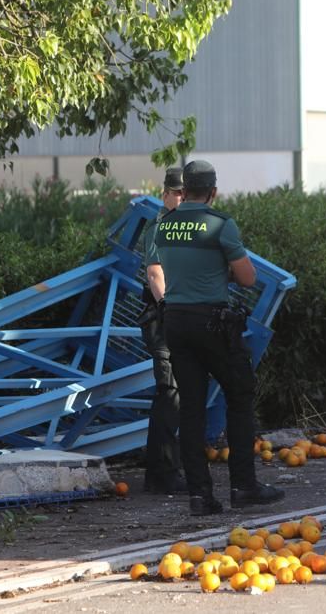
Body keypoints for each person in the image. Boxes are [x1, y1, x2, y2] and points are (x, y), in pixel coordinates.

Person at [147, 160, 284, 516]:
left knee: (191, 406)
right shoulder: (220, 225)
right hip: (212, 322)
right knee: (239, 394)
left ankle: (200, 496)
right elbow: (249, 277)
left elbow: (166, 267)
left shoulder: (163, 226)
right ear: (212, 191)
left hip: (175, 322)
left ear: (183, 189)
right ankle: (243, 486)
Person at [139, 166, 186, 495]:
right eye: (177, 193)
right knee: (169, 393)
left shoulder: (184, 227)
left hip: (177, 315)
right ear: (165, 194)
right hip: (163, 317)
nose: (182, 199)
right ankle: (161, 474)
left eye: (187, 193)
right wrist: (171, 310)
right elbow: (156, 275)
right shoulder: (159, 226)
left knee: (176, 394)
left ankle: (170, 468)